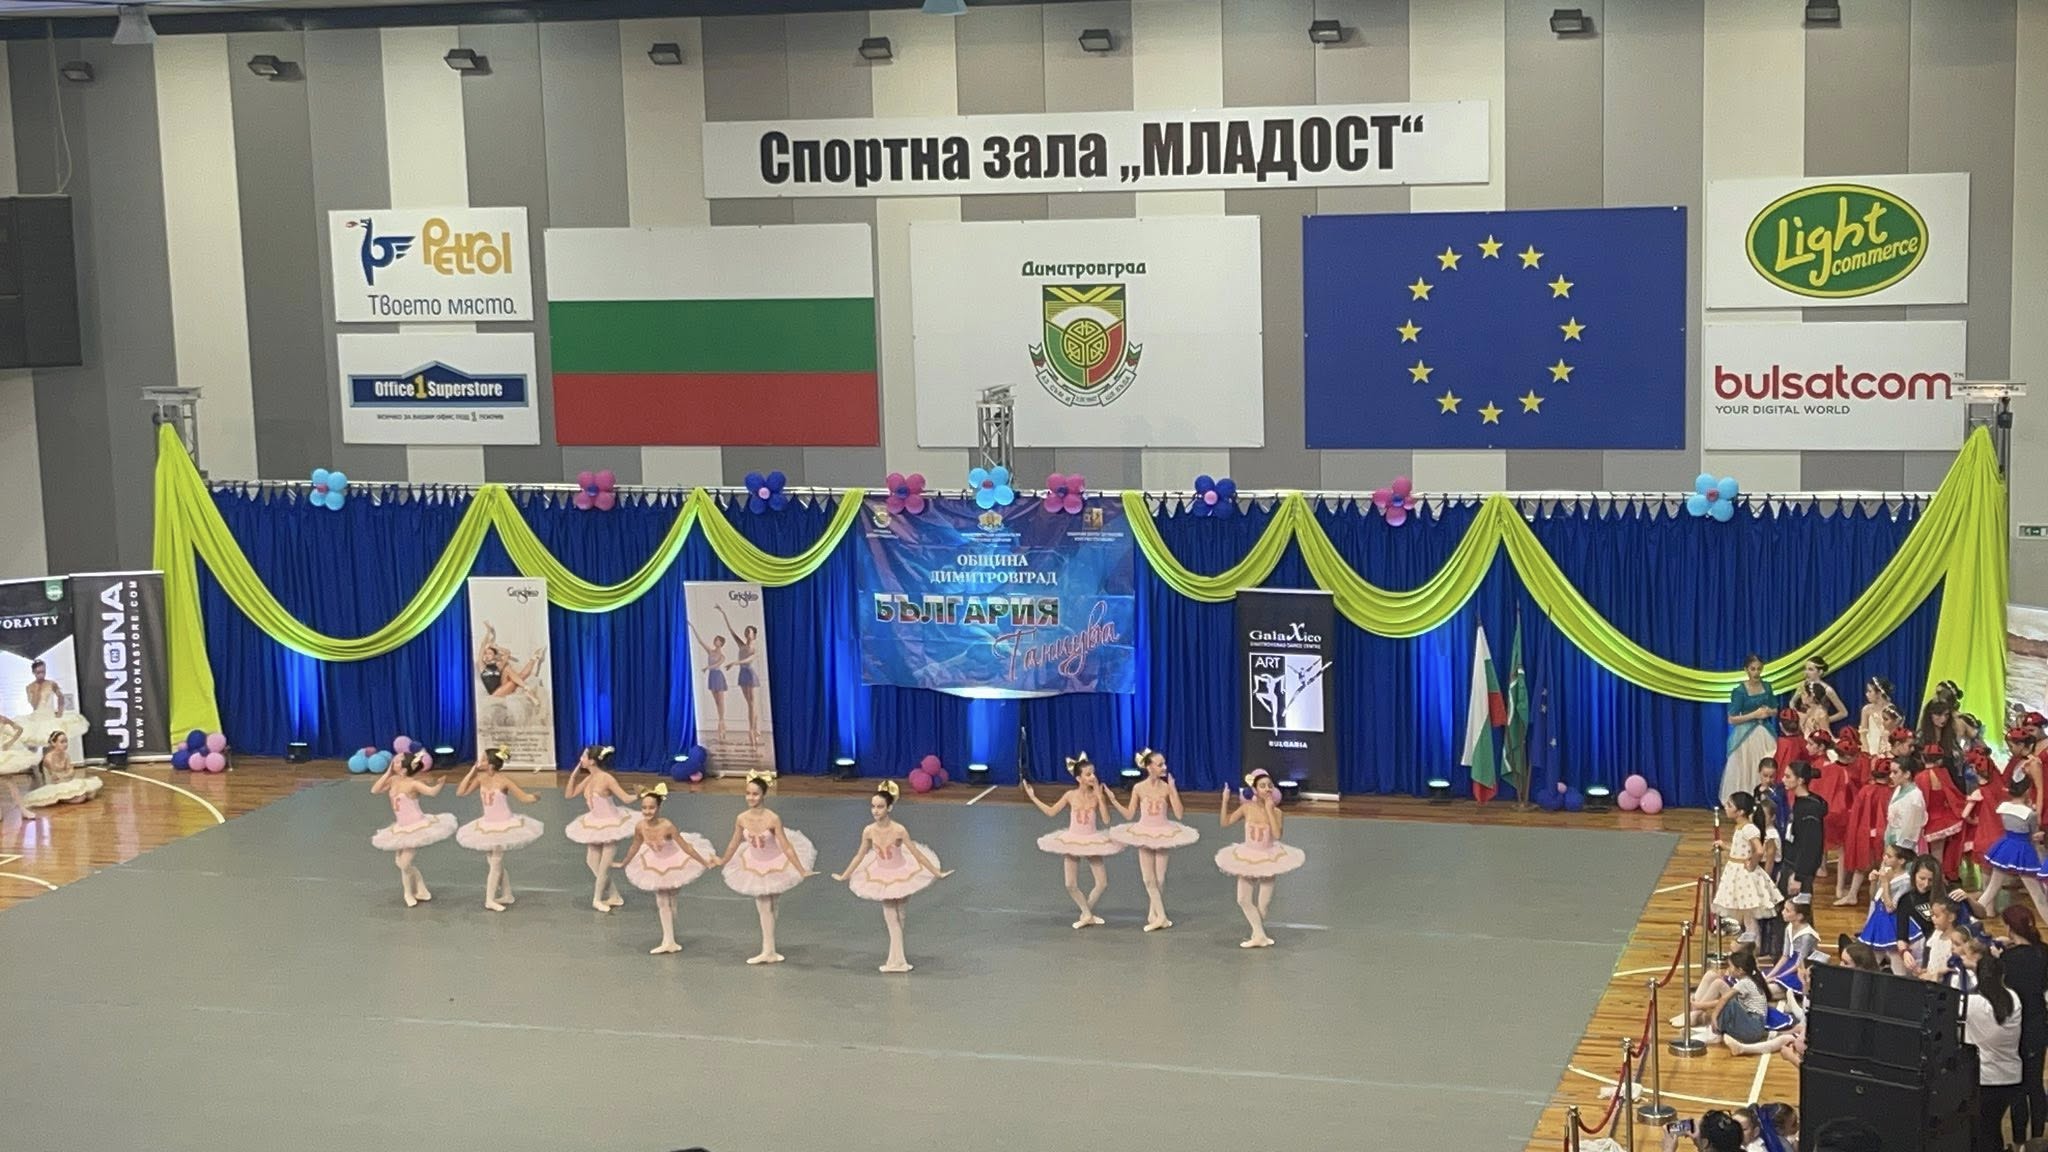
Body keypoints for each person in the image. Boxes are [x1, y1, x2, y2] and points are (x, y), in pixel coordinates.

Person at [834, 781, 950, 973]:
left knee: (900, 917)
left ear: (889, 808)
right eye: (873, 806)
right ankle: (897, 961)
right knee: (892, 919)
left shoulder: (899, 830)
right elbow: (860, 855)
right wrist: (844, 875)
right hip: (882, 876)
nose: (875, 811)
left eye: (880, 807)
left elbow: (917, 854)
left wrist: (936, 872)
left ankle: (896, 960)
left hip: (903, 873)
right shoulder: (868, 831)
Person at [717, 771, 817, 965]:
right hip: (753, 864)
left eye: (755, 794)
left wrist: (801, 869)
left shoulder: (773, 818)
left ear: (763, 795)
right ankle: (768, 949)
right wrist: (723, 860)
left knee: (771, 904)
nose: (750, 798)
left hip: (775, 863)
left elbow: (786, 846)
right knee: (764, 905)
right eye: (748, 793)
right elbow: (734, 843)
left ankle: (769, 949)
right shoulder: (741, 818)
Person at [1021, 752, 1122, 929]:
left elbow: (1106, 820)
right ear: (1078, 778)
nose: (1093, 777)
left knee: (1102, 883)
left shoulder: (1096, 796)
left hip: (1092, 840)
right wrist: (1033, 797)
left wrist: (1100, 797)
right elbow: (1051, 812)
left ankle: (1086, 913)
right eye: (1088, 774)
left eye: (1093, 773)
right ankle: (1087, 914)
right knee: (1070, 884)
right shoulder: (1070, 795)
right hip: (1073, 840)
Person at [616, 784, 716, 955]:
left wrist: (703, 861)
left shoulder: (667, 826)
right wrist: (624, 862)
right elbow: (635, 846)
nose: (647, 811)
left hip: (674, 859)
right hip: (655, 862)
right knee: (662, 900)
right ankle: (669, 940)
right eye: (644, 808)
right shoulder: (640, 826)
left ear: (658, 808)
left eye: (651, 808)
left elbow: (686, 847)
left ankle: (670, 931)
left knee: (670, 896)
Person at [1107, 748, 1199, 931]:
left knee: (1160, 879)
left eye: (1164, 764)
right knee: (1148, 879)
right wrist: (1114, 800)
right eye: (1160, 764)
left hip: (1163, 833)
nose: (1164, 767)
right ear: (1149, 767)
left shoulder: (1166, 788)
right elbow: (1129, 814)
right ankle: (1161, 917)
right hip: (1144, 833)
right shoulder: (1139, 788)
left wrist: (1173, 789)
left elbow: (1179, 814)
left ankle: (1154, 914)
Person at [1216, 769, 1308, 949]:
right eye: (1263, 786)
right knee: (1243, 899)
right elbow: (1225, 822)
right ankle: (1259, 936)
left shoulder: (1277, 812)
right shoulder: (1247, 808)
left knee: (1263, 905)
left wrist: (1269, 810)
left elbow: (1277, 834)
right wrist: (1225, 801)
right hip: (1247, 857)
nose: (1267, 789)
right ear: (1255, 790)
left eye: (1269, 786)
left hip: (1268, 859)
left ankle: (1258, 935)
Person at [454, 746, 545, 912]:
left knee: (495, 862)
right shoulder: (480, 779)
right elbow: (460, 792)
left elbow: (523, 797)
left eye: (483, 759)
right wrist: (472, 771)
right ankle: (507, 894)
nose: (479, 761)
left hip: (504, 825)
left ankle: (489, 899)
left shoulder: (504, 781)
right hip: (487, 825)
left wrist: (534, 797)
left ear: (490, 764)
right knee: (494, 862)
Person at [369, 749, 455, 907]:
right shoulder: (393, 780)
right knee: (400, 863)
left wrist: (440, 784)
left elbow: (432, 792)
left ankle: (408, 893)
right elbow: (374, 790)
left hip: (415, 827)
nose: (393, 762)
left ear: (404, 768)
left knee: (404, 863)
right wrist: (388, 773)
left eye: (396, 762)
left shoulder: (413, 784)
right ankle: (421, 889)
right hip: (401, 827)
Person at [564, 745, 641, 912]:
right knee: (592, 862)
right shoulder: (589, 779)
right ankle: (615, 895)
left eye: (584, 757)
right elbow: (569, 794)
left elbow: (625, 798)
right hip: (595, 823)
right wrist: (574, 775)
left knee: (604, 866)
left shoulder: (607, 778)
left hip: (611, 824)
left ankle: (597, 899)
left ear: (592, 761)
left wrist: (642, 795)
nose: (581, 759)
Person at [1967, 951, 2026, 1150]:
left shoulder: (1972, 1003)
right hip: (2010, 1077)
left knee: (1982, 1130)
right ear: (2002, 975)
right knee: (1991, 1127)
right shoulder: (2014, 999)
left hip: (1985, 1079)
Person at [1999, 906, 2048, 1143]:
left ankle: (2019, 1140)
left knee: (2018, 1086)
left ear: (2009, 928)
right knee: (2035, 1083)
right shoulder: (2044, 952)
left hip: (2016, 1027)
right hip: (2039, 1024)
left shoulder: (2007, 960)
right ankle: (2038, 1137)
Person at [1714, 792, 1783, 945]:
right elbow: (1741, 849)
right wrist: (1725, 846)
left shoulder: (1748, 828)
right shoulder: (1741, 827)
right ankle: (1749, 943)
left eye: (1730, 805)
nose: (1726, 807)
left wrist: (1752, 864)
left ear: (1740, 811)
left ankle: (1754, 946)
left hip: (1743, 874)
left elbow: (1759, 850)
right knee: (1745, 914)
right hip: (1735, 870)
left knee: (1748, 914)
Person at [1979, 773, 2048, 921]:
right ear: (2027, 790)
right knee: (2038, 895)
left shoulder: (2004, 808)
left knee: (1991, 890)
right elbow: (2033, 835)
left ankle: (1970, 918)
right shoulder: (2030, 814)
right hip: (2024, 853)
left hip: (2005, 849)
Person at [1722, 656, 1779, 803]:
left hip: (1765, 731)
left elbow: (1775, 710)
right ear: (1746, 670)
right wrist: (1754, 715)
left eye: (1759, 669)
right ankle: (1745, 801)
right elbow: (1732, 719)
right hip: (1745, 735)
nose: (1756, 672)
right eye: (1753, 669)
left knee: (1766, 763)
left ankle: (1766, 800)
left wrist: (1768, 712)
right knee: (1746, 768)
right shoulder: (1739, 691)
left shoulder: (1767, 687)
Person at [1916, 744, 1968, 880]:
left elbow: (1919, 803)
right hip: (1943, 818)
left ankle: (1936, 880)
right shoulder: (1943, 774)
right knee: (1938, 853)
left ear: (1923, 758)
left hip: (1928, 820)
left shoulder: (1920, 777)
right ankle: (1940, 878)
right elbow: (1952, 794)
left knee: (1927, 854)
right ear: (1939, 760)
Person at [717, 605, 763, 749]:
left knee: (752, 703)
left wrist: (734, 663)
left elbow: (747, 660)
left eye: (749, 632)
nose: (747, 633)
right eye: (746, 631)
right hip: (742, 674)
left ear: (754, 635)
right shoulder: (741, 645)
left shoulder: (754, 649)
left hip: (749, 673)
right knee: (749, 703)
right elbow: (731, 630)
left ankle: (752, 730)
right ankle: (755, 728)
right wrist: (723, 612)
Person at [20, 731, 101, 809]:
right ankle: (61, 798)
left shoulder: (66, 755)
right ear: (53, 743)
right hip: (55, 785)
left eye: (66, 741)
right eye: (62, 742)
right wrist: (66, 774)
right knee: (80, 798)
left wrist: (67, 774)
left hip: (66, 781)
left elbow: (71, 771)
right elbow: (56, 778)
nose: (65, 744)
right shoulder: (49, 758)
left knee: (91, 793)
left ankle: (69, 796)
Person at [1783, 764, 1828, 901]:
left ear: (1800, 780)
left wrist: (1799, 877)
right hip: (1792, 862)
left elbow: (1811, 846)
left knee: (1798, 909)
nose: (1783, 779)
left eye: (1788, 776)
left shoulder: (1810, 809)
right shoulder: (1800, 801)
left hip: (1800, 870)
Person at [686, 624, 731, 738]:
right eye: (715, 639)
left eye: (718, 640)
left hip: (718, 676)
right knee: (716, 702)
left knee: (721, 702)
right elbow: (700, 641)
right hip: (712, 677)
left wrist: (707, 667)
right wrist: (692, 627)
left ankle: (721, 723)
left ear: (721, 643)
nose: (716, 641)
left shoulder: (722, 656)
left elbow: (717, 664)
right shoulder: (710, 651)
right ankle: (722, 723)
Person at [1799, 657, 1849, 726]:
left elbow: (1844, 713)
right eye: (1806, 669)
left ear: (1820, 672)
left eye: (1810, 669)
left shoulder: (1827, 690)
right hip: (1804, 727)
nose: (1806, 672)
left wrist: (1824, 720)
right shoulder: (1803, 685)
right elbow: (1793, 703)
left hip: (1821, 729)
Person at [1860, 677, 1901, 759]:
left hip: (1887, 750)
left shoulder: (1892, 710)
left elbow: (1895, 733)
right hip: (1870, 750)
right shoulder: (1866, 709)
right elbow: (1863, 734)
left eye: (1870, 691)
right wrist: (1868, 752)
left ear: (1879, 693)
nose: (1867, 694)